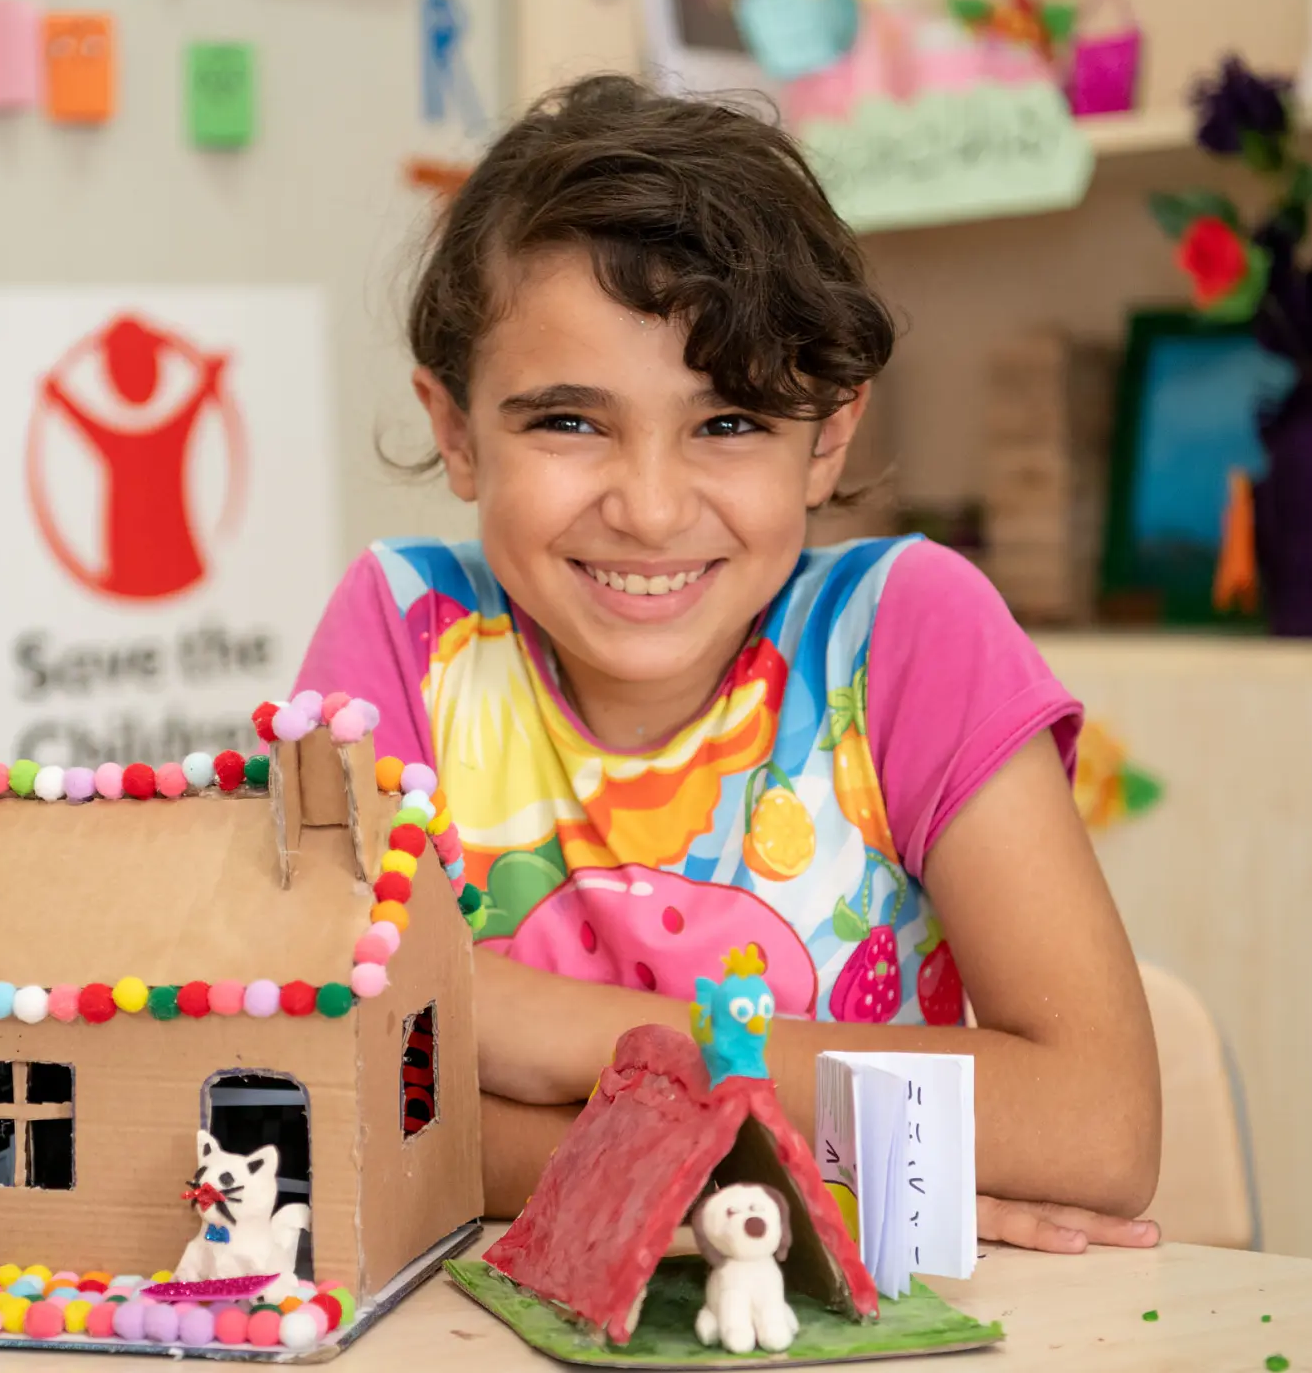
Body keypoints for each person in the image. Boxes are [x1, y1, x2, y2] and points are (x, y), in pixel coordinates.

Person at [294, 75, 1160, 1255]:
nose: (649, 510)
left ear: (830, 436)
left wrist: (577, 1039)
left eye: (730, 422)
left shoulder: (906, 632)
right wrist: (788, 1180)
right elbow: (328, 1106)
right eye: (568, 421)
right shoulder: (402, 634)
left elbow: (1096, 1130)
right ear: (454, 430)